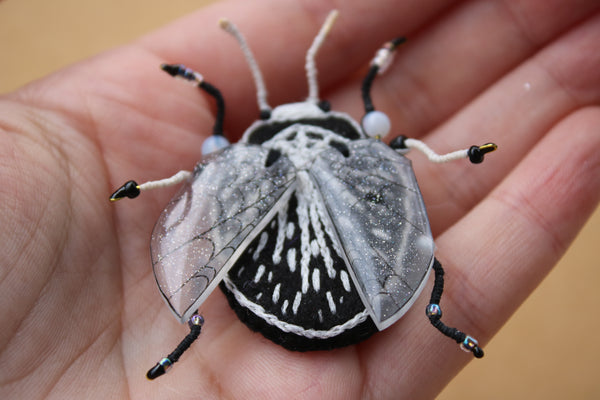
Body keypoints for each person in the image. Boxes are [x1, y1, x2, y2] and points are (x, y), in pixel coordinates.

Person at [0, 0, 598, 398]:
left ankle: (431, 314)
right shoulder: (364, 152)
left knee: (416, 254)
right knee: (418, 255)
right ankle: (438, 318)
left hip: (312, 289)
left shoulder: (245, 160)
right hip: (325, 290)